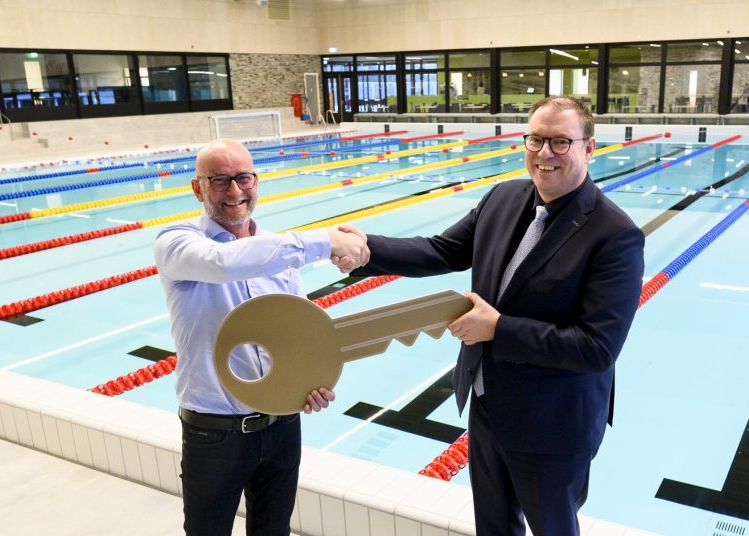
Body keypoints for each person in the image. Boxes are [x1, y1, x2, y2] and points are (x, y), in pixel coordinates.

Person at [335, 96, 645, 535]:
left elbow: (596, 348)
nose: (545, 153)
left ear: (589, 148)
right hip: (487, 405)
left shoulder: (615, 235)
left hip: (552, 425)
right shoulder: (503, 198)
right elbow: (442, 250)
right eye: (536, 140)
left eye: (560, 142)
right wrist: (367, 248)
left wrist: (498, 329)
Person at [154, 139, 369, 536]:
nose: (235, 190)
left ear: (256, 181)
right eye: (219, 180)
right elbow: (222, 263)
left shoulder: (279, 251)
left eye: (243, 178)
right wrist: (325, 241)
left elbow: (295, 332)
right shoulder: (176, 242)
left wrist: (309, 384)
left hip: (282, 426)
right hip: (214, 433)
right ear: (197, 188)